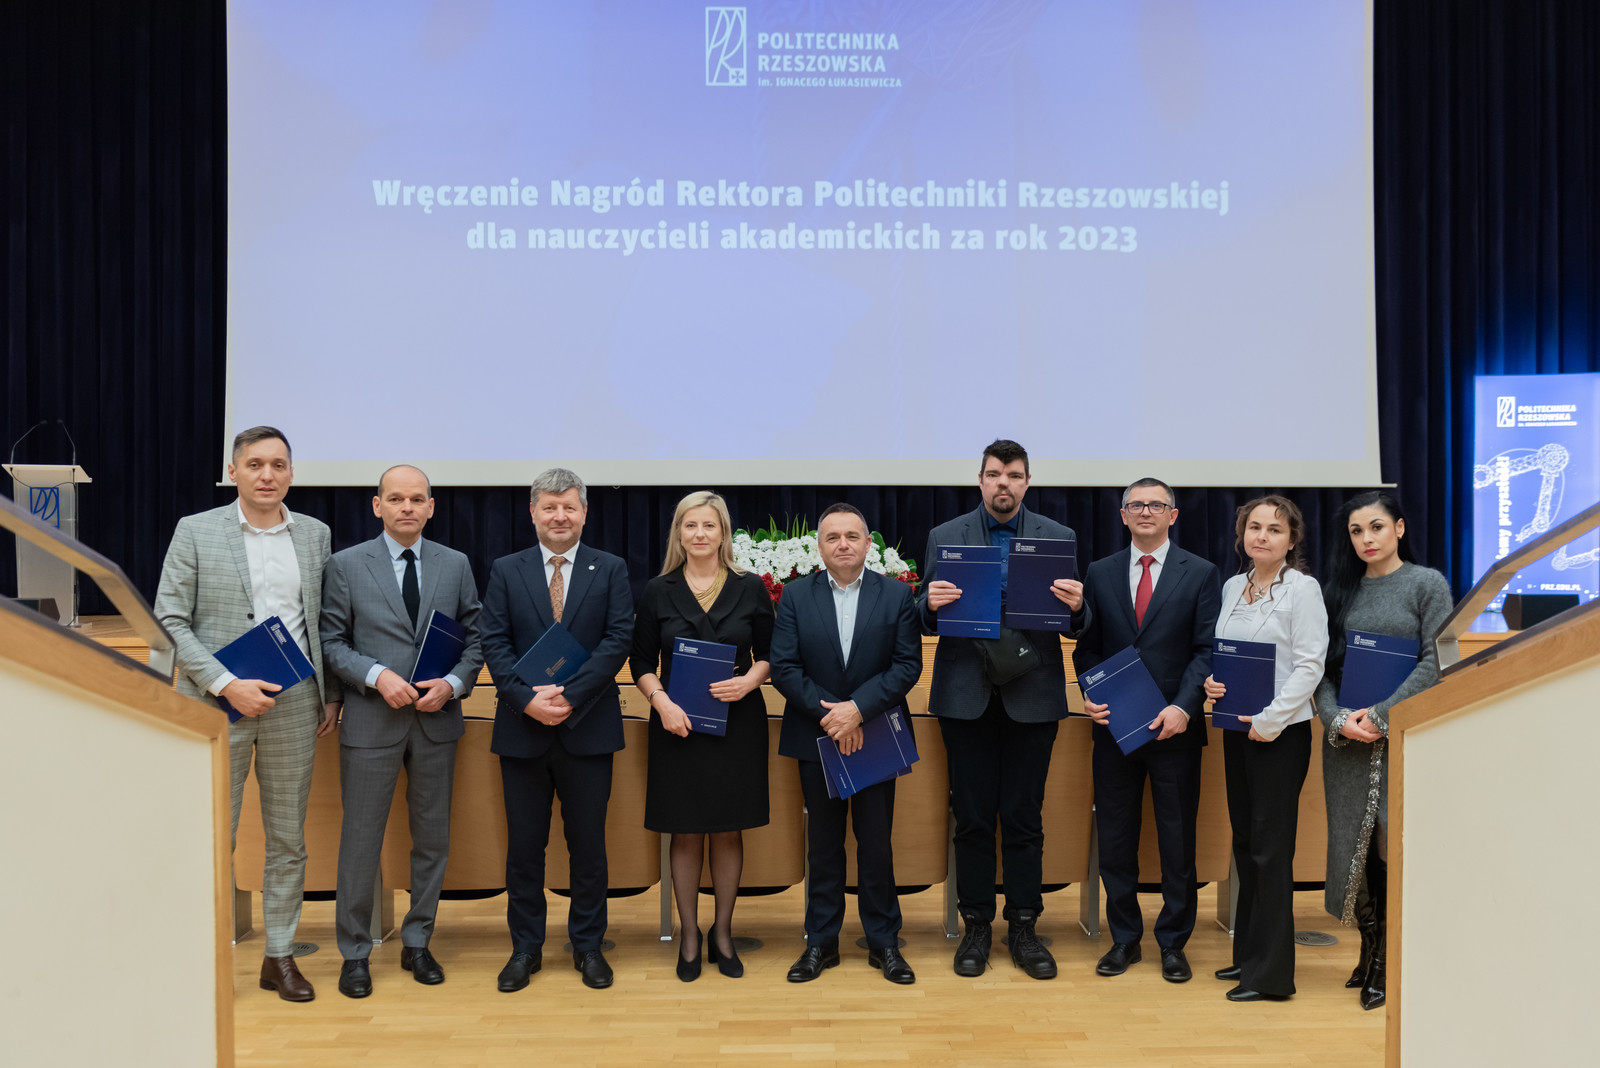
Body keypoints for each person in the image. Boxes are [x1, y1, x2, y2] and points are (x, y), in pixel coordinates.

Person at [153, 425, 341, 1002]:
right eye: (255, 464)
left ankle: (279, 956)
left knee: (287, 838)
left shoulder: (315, 534)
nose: (267, 475)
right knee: (212, 836)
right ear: (233, 471)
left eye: (278, 465)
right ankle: (199, 960)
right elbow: (169, 619)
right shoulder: (196, 530)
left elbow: (323, 621)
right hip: (216, 704)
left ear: (292, 474)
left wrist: (330, 693)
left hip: (294, 704)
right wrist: (226, 683)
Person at [917, 439, 1083, 979]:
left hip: (1032, 695)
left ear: (1027, 482)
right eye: (994, 474)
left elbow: (1076, 622)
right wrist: (929, 604)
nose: (1003, 483)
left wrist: (1078, 607)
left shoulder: (1058, 537)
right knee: (970, 818)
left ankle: (1025, 927)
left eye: (1013, 475)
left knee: (1023, 817)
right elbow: (922, 615)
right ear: (981, 480)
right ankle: (976, 926)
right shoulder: (946, 536)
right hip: (965, 696)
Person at [319, 465, 483, 998]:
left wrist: (454, 684)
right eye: (396, 498)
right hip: (372, 720)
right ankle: (355, 953)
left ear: (431, 507)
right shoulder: (346, 565)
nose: (406, 507)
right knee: (360, 841)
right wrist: (376, 675)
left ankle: (418, 940)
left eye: (416, 499)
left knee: (432, 840)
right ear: (377, 506)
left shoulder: (455, 564)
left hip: (436, 721)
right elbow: (331, 641)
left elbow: (476, 638)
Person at [479, 468, 634, 992]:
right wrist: (527, 699)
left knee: (588, 847)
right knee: (524, 849)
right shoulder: (507, 569)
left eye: (569, 507)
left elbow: (618, 639)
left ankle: (588, 946)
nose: (560, 516)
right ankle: (525, 948)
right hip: (522, 730)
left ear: (584, 513)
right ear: (533, 513)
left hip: (588, 728)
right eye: (550, 507)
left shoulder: (610, 568)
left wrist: (569, 696)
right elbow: (494, 641)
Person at [1073, 477, 1221, 983]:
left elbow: (1206, 650)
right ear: (1122, 515)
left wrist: (1185, 707)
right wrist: (1088, 692)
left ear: (1172, 516)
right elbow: (1088, 648)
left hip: (1176, 731)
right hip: (1115, 729)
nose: (1145, 512)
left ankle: (1174, 943)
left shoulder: (1200, 572)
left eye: (1156, 505)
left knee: (1177, 841)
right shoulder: (1100, 572)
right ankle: (1124, 939)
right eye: (1135, 504)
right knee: (1116, 839)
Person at [769, 503, 923, 985]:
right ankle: (820, 942)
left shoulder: (896, 595)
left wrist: (858, 709)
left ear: (867, 544)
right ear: (819, 546)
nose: (842, 544)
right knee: (823, 845)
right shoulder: (795, 596)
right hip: (817, 736)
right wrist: (834, 716)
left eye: (852, 536)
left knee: (876, 844)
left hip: (876, 734)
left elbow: (907, 665)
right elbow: (784, 667)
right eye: (832, 536)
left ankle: (884, 943)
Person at [1315, 490, 1451, 1011]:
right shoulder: (1337, 591)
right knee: (1355, 848)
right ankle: (1369, 947)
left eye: (1376, 527)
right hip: (1347, 742)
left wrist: (1380, 714)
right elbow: (1322, 668)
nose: (1366, 539)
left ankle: (1387, 960)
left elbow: (1435, 661)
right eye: (1356, 531)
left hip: (1403, 737)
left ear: (1399, 527)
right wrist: (1337, 719)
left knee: (1390, 847)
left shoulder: (1426, 584)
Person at [630, 490, 774, 981]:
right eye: (690, 525)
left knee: (729, 829)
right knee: (686, 829)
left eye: (709, 525)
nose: (699, 534)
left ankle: (723, 933)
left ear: (723, 533)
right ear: (679, 533)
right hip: (677, 726)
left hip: (738, 724)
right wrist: (662, 703)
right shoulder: (658, 589)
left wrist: (749, 680)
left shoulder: (750, 587)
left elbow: (772, 654)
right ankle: (689, 936)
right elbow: (640, 661)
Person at [1201, 496, 1327, 1002]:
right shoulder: (1233, 586)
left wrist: (1271, 721)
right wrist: (1212, 684)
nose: (1262, 536)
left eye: (1275, 529)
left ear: (1292, 539)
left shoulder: (1303, 589)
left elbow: (1310, 665)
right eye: (1254, 527)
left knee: (1271, 852)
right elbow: (1226, 655)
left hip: (1280, 734)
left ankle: (1271, 977)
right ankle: (1248, 956)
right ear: (1242, 535)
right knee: (1245, 844)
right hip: (1237, 730)